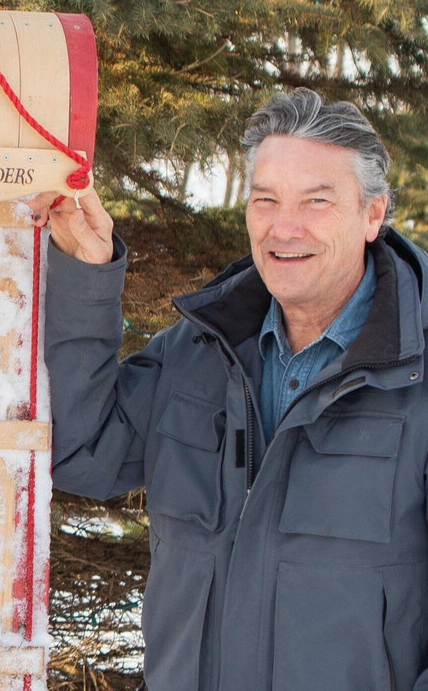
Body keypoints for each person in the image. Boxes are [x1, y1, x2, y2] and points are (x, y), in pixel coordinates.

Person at [30, 88, 428, 691]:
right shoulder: (196, 355)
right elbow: (83, 454)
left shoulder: (416, 376)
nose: (283, 227)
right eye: (264, 200)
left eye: (316, 202)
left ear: (373, 214)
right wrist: (87, 269)